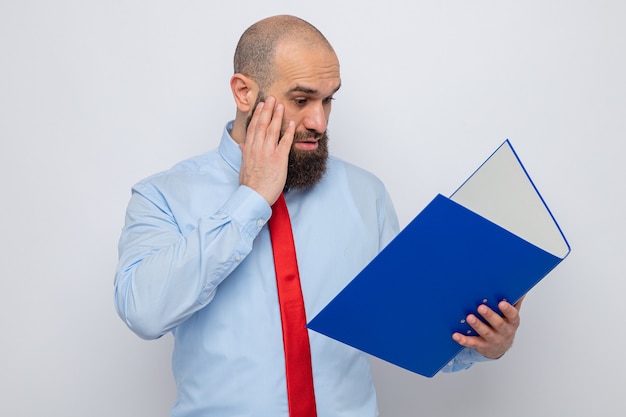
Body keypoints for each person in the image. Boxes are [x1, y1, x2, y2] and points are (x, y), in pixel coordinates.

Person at [114, 15, 523, 417]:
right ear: (243, 92)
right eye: (301, 100)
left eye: (328, 99)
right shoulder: (163, 195)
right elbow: (144, 313)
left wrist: (485, 344)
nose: (319, 122)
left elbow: (408, 329)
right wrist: (251, 198)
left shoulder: (366, 194)